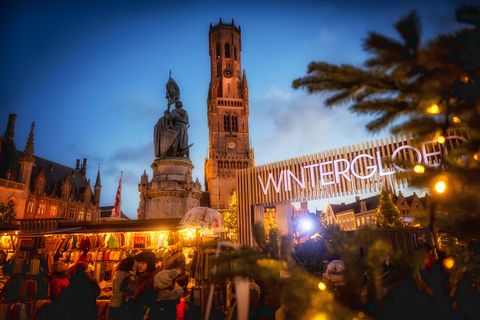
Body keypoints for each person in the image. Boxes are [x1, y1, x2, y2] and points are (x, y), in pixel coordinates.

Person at [132, 251, 157, 320]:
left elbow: (151, 302)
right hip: (137, 313)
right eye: (139, 262)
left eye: (143, 263)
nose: (139, 265)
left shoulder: (152, 280)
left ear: (150, 264)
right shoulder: (140, 277)